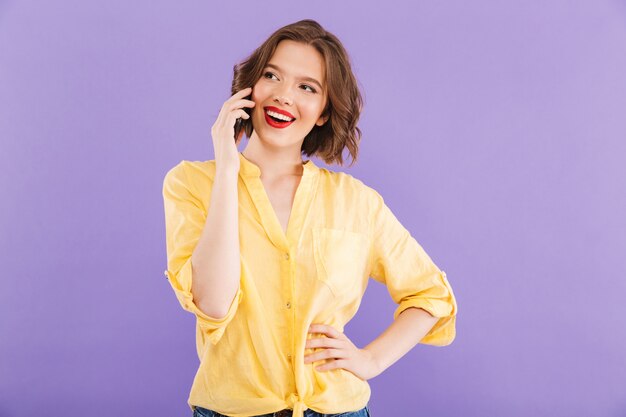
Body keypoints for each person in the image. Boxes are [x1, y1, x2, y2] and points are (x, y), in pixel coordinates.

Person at [162, 19, 457, 417]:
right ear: (249, 88)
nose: (284, 95)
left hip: (336, 409)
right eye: (271, 76)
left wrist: (370, 361)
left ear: (322, 112)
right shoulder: (191, 184)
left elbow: (431, 295)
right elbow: (213, 304)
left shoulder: (356, 201)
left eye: (307, 87)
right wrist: (227, 170)